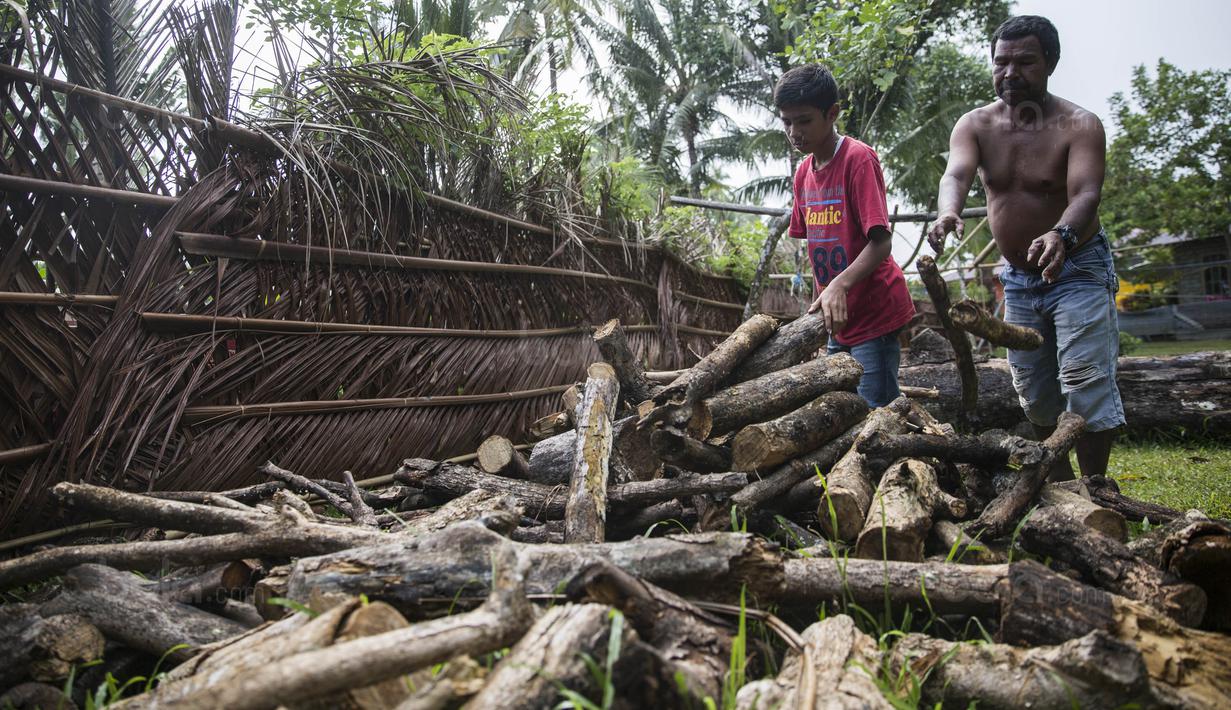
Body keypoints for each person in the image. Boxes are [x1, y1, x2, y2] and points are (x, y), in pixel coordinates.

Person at [929, 15, 1124, 480]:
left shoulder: (1080, 124)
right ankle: (1057, 486)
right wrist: (947, 211)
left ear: (1051, 62)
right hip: (1018, 279)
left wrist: (1062, 235)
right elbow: (955, 174)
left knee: (1084, 381)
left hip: (1078, 269)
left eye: (1025, 62)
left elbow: (1086, 195)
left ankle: (1097, 488)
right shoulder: (975, 124)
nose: (1010, 73)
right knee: (1034, 392)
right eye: (1001, 62)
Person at [776, 64, 915, 407]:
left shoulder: (858, 159)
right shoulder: (803, 173)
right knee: (840, 409)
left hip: (874, 313)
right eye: (786, 122)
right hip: (838, 318)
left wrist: (839, 285)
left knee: (874, 414)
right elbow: (817, 248)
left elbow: (881, 242)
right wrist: (823, 297)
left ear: (832, 113)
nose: (794, 132)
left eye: (804, 120)